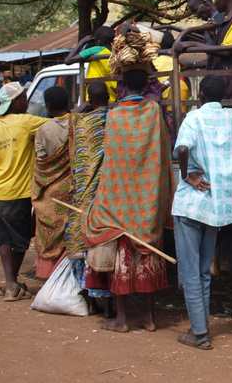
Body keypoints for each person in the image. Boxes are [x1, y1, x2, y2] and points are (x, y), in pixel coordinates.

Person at [172, 75, 232, 350]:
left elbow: (182, 148)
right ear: (222, 96)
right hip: (217, 207)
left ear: (201, 95)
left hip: (192, 203)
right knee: (203, 272)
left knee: (191, 272)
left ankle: (200, 333)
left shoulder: (193, 118)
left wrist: (186, 175)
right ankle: (199, 328)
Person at [82, 67, 173, 333]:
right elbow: (163, 148)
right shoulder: (154, 111)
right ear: (147, 85)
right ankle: (149, 318)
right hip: (147, 199)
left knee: (122, 257)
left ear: (122, 86)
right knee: (147, 256)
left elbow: (110, 157)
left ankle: (121, 319)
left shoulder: (114, 115)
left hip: (119, 196)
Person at [0, 82, 49, 301]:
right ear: (16, 102)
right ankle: (11, 285)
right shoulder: (26, 122)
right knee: (20, 239)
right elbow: (58, 123)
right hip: (16, 194)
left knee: (4, 239)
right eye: (24, 98)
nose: (27, 102)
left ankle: (11, 281)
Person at [62, 81, 113, 315]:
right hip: (108, 195)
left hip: (84, 195)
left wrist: (83, 107)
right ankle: (110, 302)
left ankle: (91, 300)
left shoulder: (81, 123)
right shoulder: (115, 119)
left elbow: (70, 119)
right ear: (109, 98)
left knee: (77, 236)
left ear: (90, 101)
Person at [31, 86, 73, 279]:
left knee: (49, 229)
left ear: (48, 107)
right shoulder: (78, 123)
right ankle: (70, 275)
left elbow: (41, 162)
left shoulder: (43, 130)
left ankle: (49, 276)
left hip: (50, 193)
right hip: (73, 188)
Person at [66, 25, 118, 102]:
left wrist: (82, 41)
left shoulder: (96, 50)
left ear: (98, 42)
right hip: (112, 98)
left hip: (94, 101)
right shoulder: (118, 53)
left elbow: (68, 60)